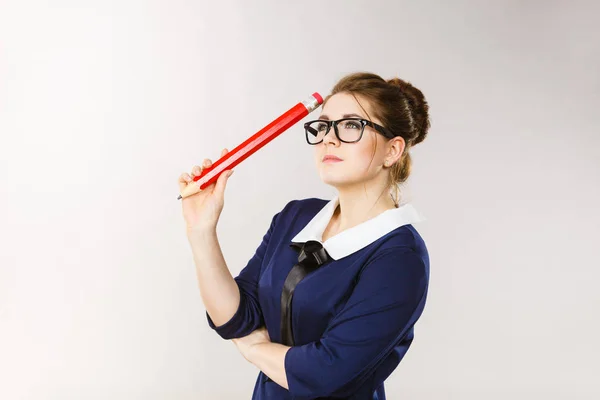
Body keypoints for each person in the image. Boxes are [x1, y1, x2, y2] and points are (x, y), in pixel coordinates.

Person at [178, 71, 431, 399]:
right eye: (323, 125)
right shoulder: (296, 217)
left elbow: (324, 372)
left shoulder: (400, 257)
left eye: (352, 125)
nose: (329, 138)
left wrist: (253, 347)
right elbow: (236, 316)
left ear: (392, 150)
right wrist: (201, 232)